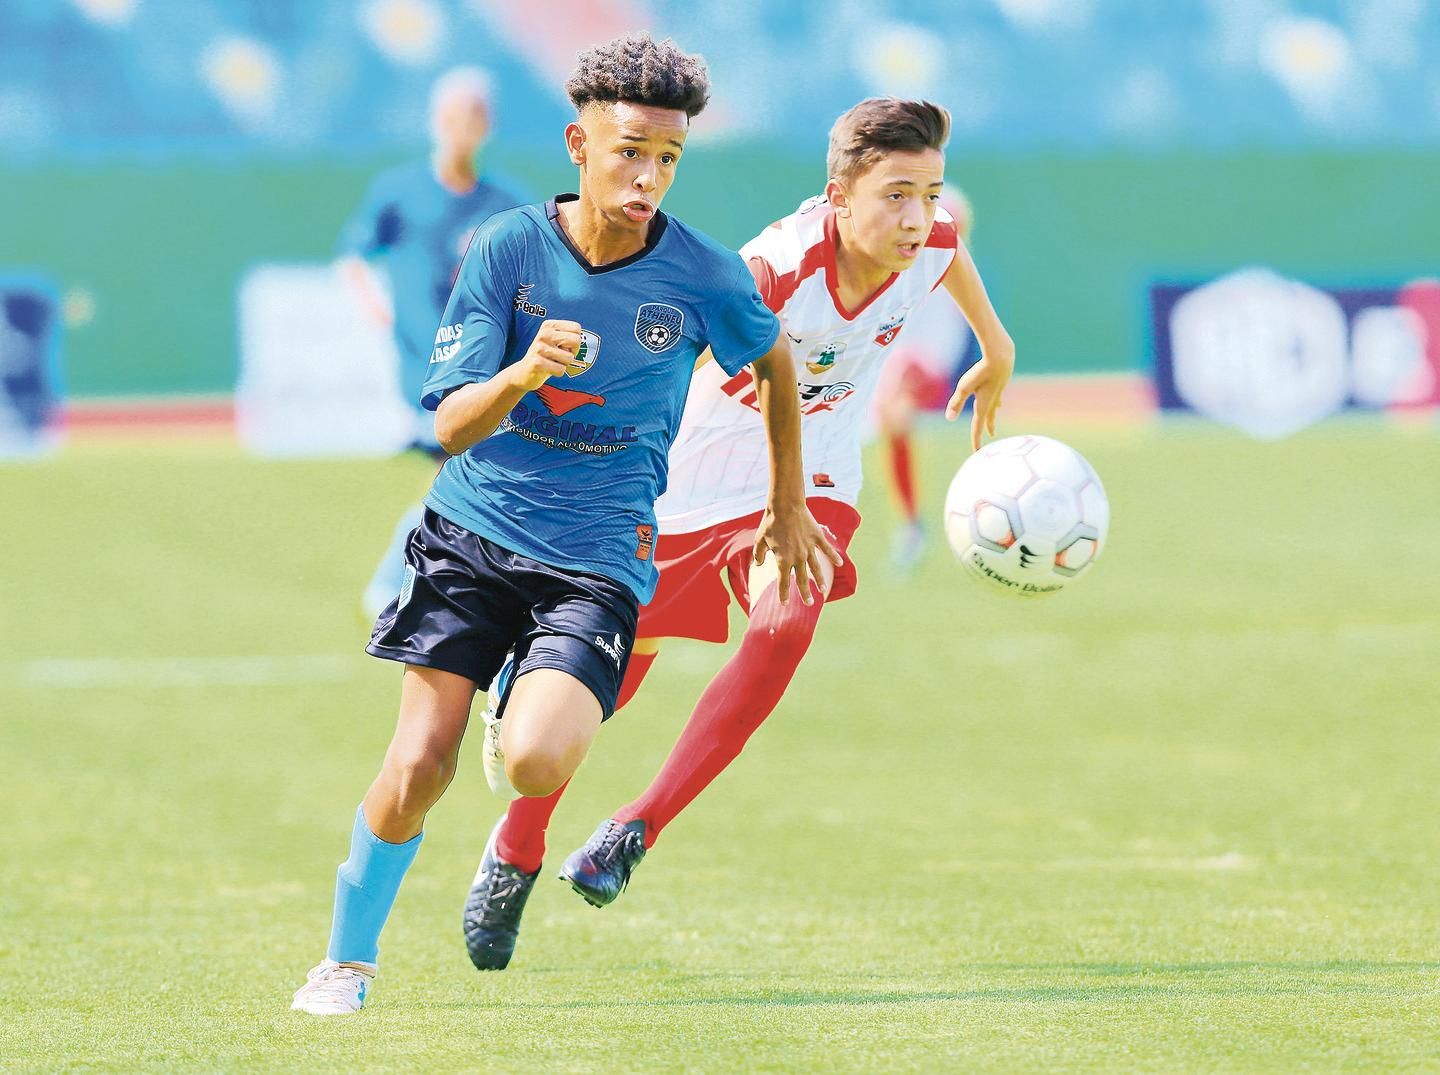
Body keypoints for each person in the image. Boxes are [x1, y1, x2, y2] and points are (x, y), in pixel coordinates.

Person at [291, 33, 836, 1016]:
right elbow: (450, 424)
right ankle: (346, 960)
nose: (649, 175)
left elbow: (778, 364)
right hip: (468, 536)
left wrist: (786, 507)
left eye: (668, 158)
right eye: (630, 150)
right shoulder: (507, 247)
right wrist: (522, 372)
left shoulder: (705, 274)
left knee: (536, 759)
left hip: (596, 560)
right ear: (578, 143)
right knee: (419, 765)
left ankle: (524, 689)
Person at [462, 97, 1015, 972]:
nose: (918, 218)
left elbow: (952, 255)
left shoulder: (932, 236)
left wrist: (998, 343)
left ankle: (631, 830)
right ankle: (517, 847)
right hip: (701, 471)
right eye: (896, 196)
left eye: (930, 194)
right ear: (838, 193)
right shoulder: (774, 267)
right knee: (614, 674)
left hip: (817, 468)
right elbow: (671, 348)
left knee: (787, 622)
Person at [335, 66, 528, 619]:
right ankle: (395, 584)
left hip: (484, 365)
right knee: (466, 470)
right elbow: (354, 257)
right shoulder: (399, 193)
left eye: (474, 115)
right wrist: (377, 310)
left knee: (470, 473)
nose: (462, 127)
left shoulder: (505, 200)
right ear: (434, 121)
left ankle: (417, 586)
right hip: (424, 365)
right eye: (452, 115)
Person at [871, 185, 977, 572]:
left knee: (894, 417)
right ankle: (910, 523)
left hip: (925, 355)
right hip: (888, 352)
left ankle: (913, 525)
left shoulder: (948, 265)